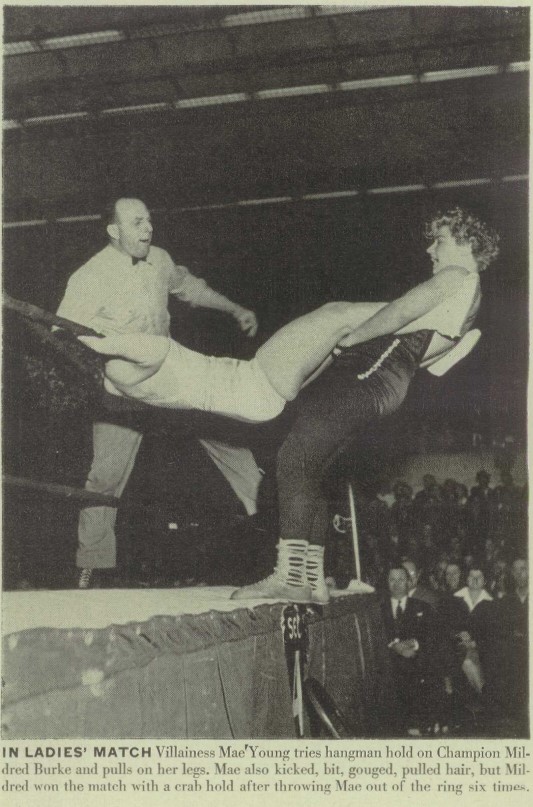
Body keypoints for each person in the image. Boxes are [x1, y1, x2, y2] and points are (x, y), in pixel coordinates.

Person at [83, 208, 499, 602]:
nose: (431, 249)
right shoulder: (471, 300)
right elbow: (428, 351)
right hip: (389, 380)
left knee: (295, 458)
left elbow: (402, 310)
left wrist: (351, 338)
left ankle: (291, 577)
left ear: (464, 241)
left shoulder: (457, 274)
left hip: (372, 371)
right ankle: (311, 576)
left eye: (439, 240)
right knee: (311, 465)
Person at [57, 197, 259, 588]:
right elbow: (62, 333)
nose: (148, 229)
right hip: (123, 387)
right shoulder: (90, 276)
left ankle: (275, 525)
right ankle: (92, 565)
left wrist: (234, 309)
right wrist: (97, 376)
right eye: (137, 223)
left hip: (169, 380)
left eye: (149, 220)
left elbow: (190, 288)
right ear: (114, 230)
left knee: (229, 437)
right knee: (105, 476)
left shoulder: (160, 260)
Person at [380, 566, 438, 735]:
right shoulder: (378, 610)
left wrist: (414, 643)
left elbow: (431, 637)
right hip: (388, 661)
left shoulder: (422, 607)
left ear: (409, 582)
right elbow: (376, 638)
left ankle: (421, 723)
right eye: (392, 579)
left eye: (401, 579)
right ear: (387, 582)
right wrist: (394, 647)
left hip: (416, 660)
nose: (397, 584)